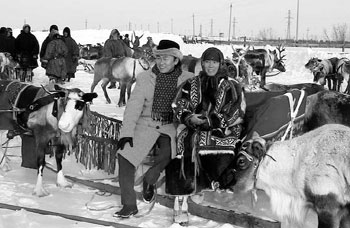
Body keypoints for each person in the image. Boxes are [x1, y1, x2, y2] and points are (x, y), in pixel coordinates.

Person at [165, 47, 246, 224]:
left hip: (222, 128)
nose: (210, 66)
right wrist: (189, 117)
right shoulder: (192, 83)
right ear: (202, 63)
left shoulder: (231, 85)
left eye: (214, 62)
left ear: (220, 63)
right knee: (185, 141)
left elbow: (235, 112)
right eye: (207, 62)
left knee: (214, 143)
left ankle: (206, 183)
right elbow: (179, 104)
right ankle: (182, 199)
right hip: (194, 126)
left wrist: (210, 122)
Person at [115, 40, 194, 218]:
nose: (161, 62)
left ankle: (150, 180)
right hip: (146, 123)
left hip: (171, 125)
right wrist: (127, 133)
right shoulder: (145, 78)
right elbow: (133, 107)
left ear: (176, 60)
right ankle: (129, 204)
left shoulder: (188, 79)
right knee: (125, 155)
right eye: (158, 57)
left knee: (169, 153)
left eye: (166, 58)